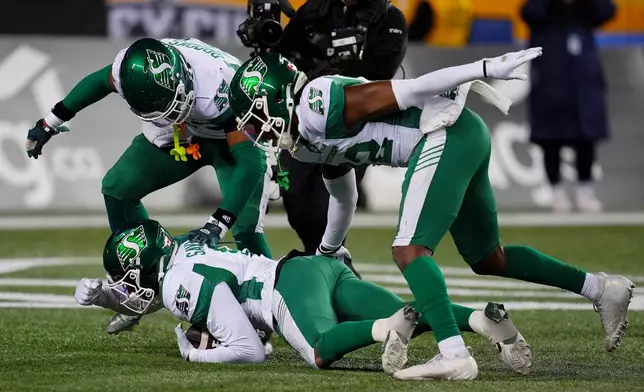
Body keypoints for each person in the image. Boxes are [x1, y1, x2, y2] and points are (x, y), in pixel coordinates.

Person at [227, 50, 635, 380]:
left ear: (275, 96)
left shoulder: (319, 102)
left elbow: (414, 87)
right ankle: (601, 289)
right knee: (488, 257)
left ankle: (454, 354)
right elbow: (343, 193)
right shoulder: (304, 140)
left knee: (409, 249)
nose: (255, 132)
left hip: (443, 132)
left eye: (255, 118)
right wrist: (330, 248)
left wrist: (485, 68)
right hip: (463, 136)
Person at [25, 37, 273, 335]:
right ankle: (140, 282)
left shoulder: (220, 85)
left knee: (244, 224)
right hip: (184, 132)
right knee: (118, 187)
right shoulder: (132, 67)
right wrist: (50, 121)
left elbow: (250, 163)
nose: (165, 114)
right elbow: (98, 82)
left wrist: (218, 224)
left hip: (232, 138)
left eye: (169, 107)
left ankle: (265, 309)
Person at [74, 219, 531, 374]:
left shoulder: (176, 286)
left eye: (126, 279)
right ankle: (484, 321)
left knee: (317, 350)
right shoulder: (184, 249)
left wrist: (194, 358)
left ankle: (388, 330)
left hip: (287, 289)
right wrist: (105, 296)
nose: (129, 289)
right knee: (404, 307)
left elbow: (249, 351)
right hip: (317, 267)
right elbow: (163, 291)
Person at [273, 0, 409, 257]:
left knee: (333, 203)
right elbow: (283, 54)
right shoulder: (314, 9)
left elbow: (383, 73)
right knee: (295, 198)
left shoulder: (391, 19)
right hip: (306, 118)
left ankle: (329, 262)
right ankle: (329, 263)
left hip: (355, 126)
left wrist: (332, 64)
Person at [521, 0, 616, 213]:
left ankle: (585, 191)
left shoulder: (584, 16)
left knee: (586, 139)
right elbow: (528, 12)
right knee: (550, 140)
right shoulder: (542, 16)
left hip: (584, 85)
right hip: (550, 85)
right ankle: (556, 192)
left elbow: (607, 11)